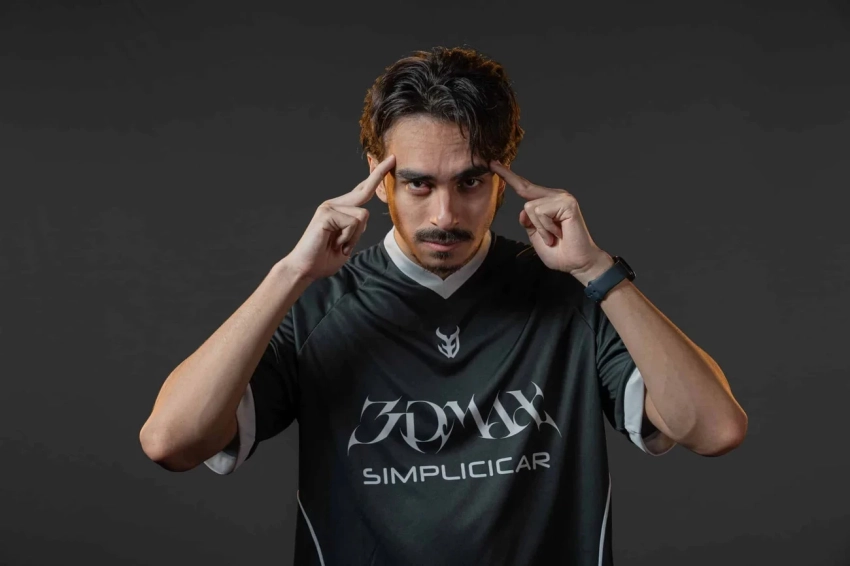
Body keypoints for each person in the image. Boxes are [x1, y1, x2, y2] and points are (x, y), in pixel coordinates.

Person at [139, 46, 747, 566]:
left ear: (503, 177)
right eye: (419, 183)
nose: (445, 215)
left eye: (470, 181)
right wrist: (290, 274)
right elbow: (171, 442)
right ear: (379, 179)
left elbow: (716, 429)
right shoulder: (315, 304)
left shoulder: (574, 295)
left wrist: (597, 271)